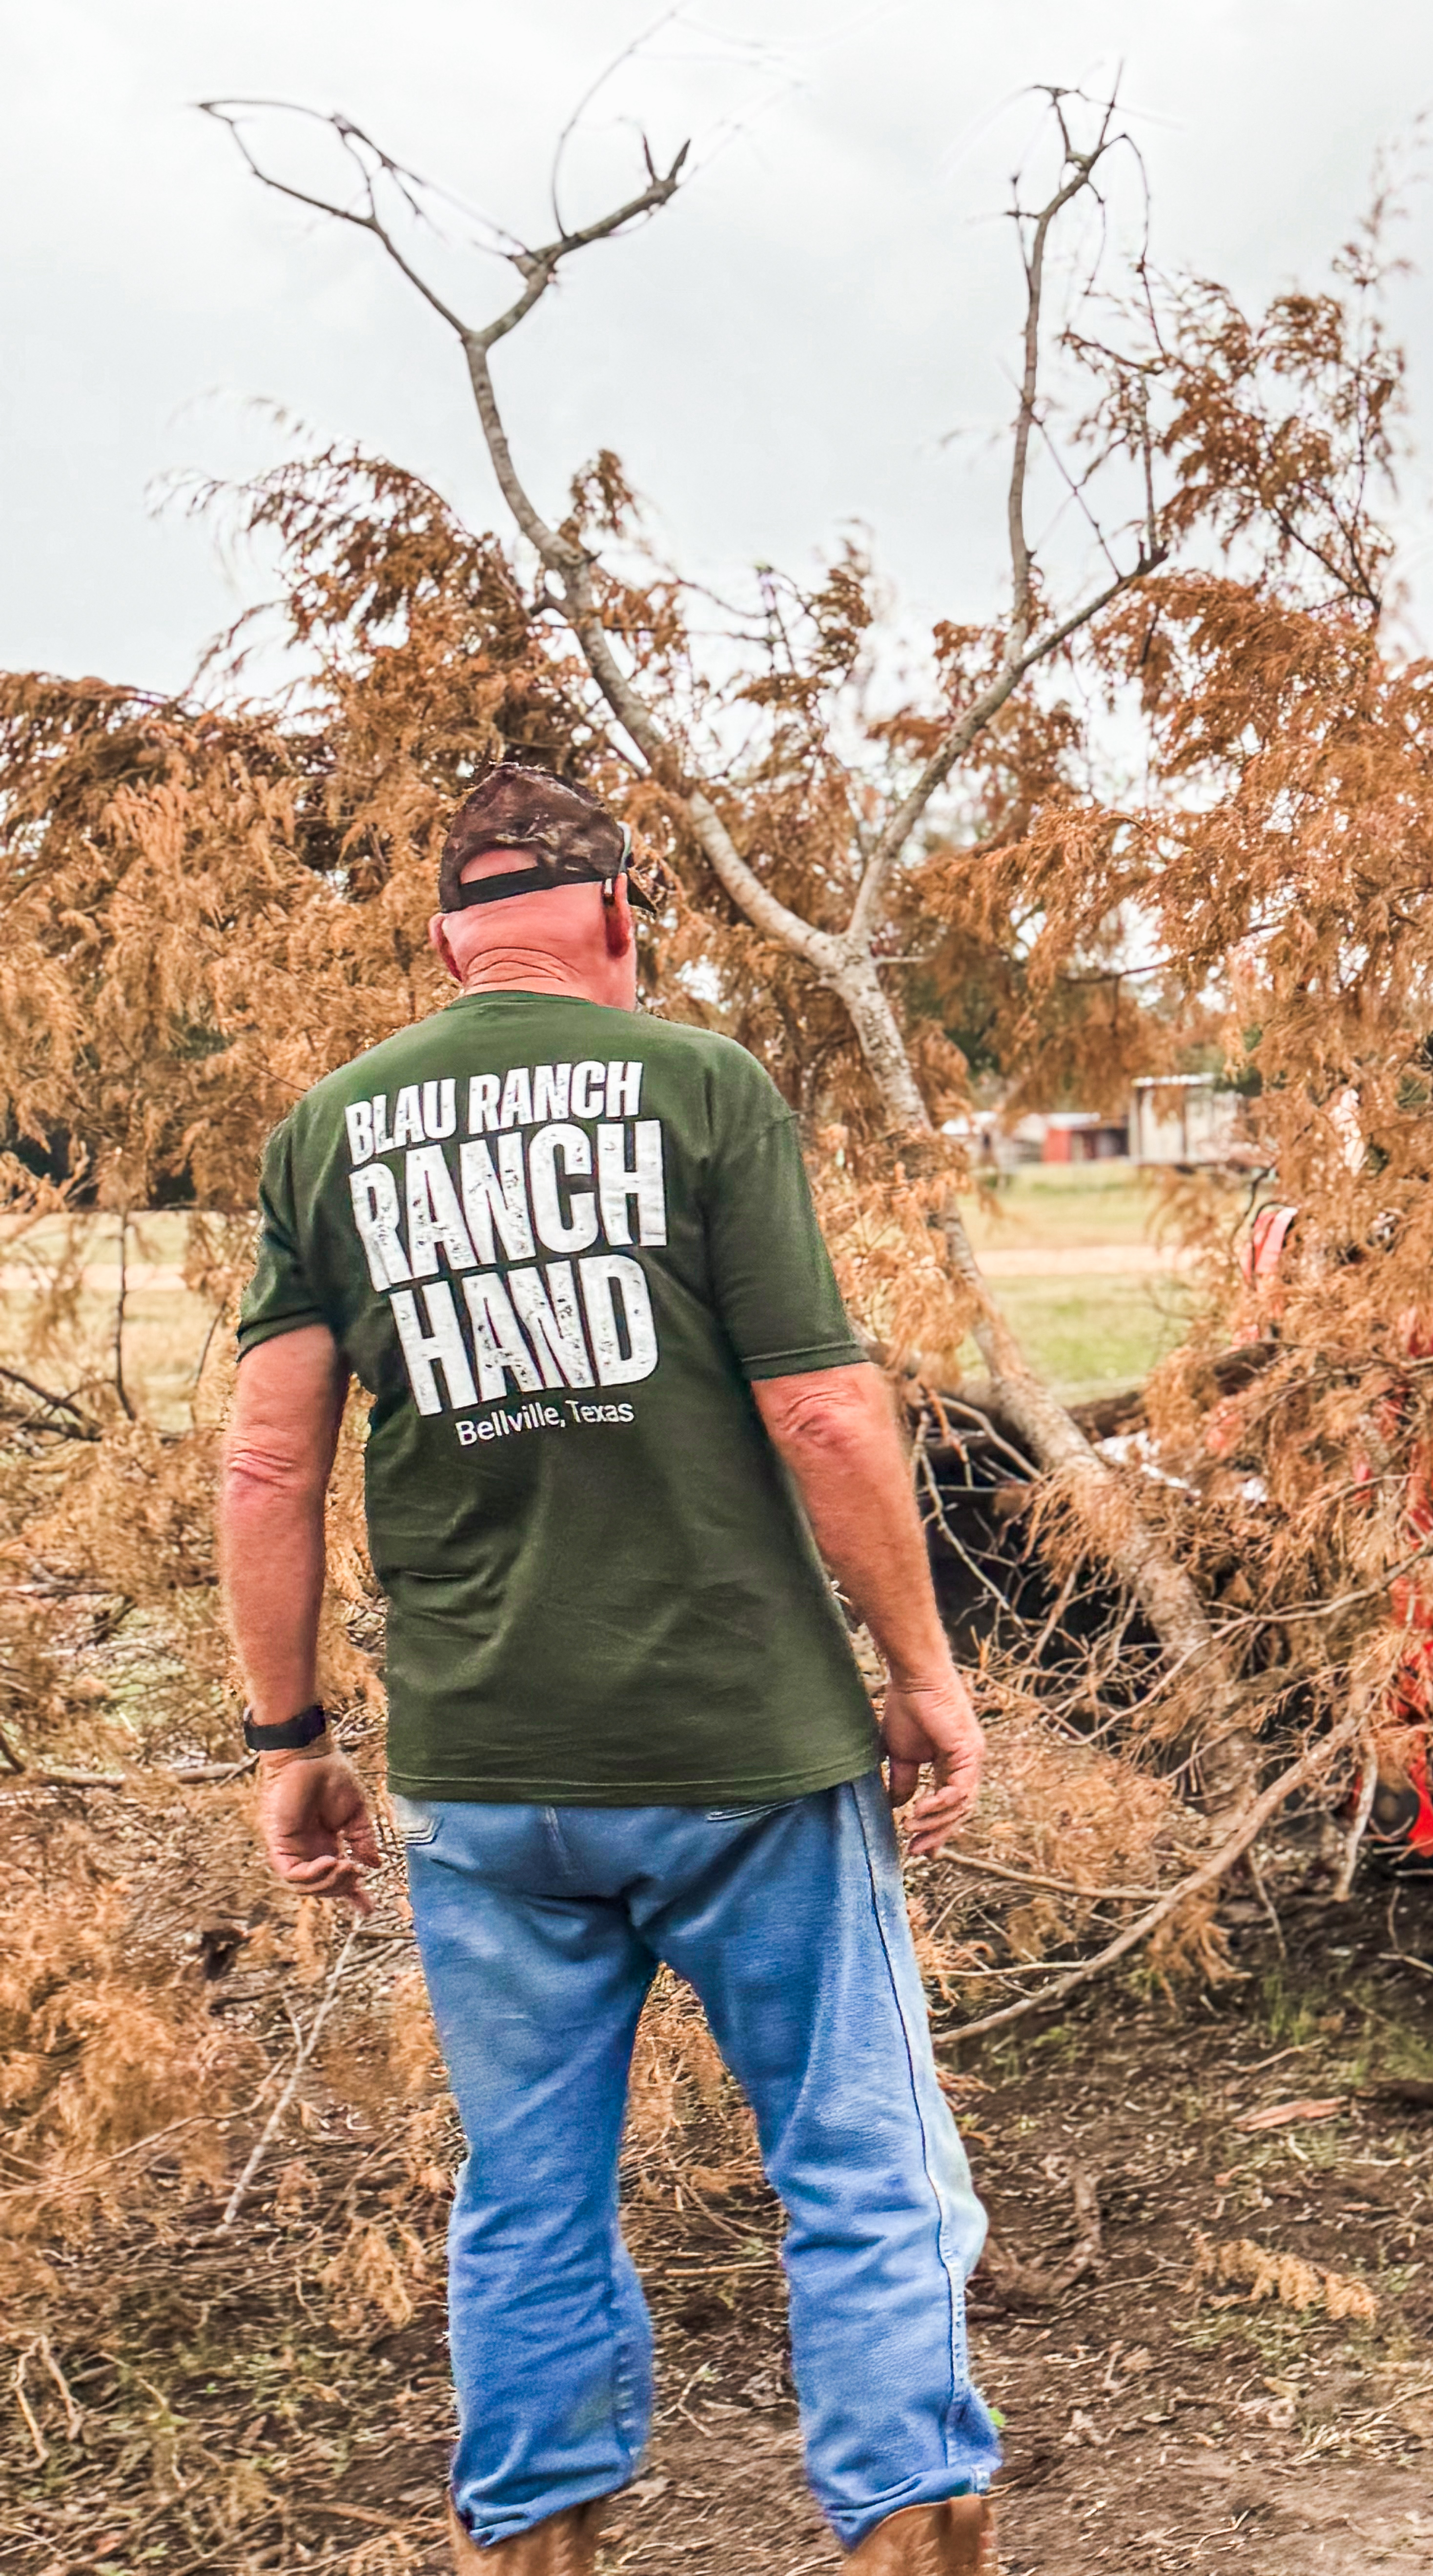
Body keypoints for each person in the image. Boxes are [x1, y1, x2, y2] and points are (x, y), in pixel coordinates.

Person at [219, 764, 1001, 2576]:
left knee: (528, 2195)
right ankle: (907, 2535)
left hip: (488, 1777)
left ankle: (532, 2548)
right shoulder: (700, 1086)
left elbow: (265, 1463)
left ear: (450, 943)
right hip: (746, 1762)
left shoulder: (327, 1132)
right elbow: (823, 1410)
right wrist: (922, 1671)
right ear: (621, 918)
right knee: (863, 2172)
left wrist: (287, 1739)